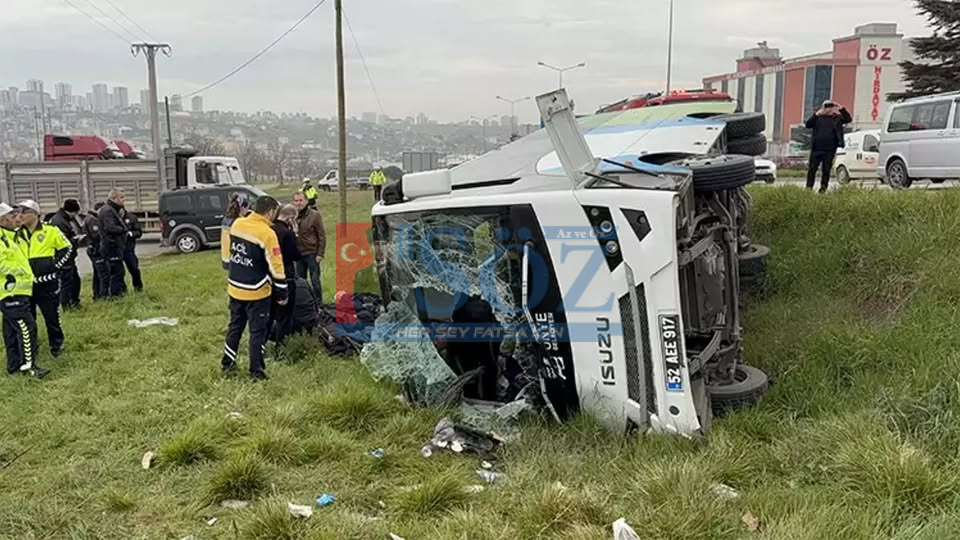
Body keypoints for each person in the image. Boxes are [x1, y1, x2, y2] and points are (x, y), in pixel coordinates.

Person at [220, 195, 287, 381]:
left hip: (235, 287)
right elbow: (277, 266)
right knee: (258, 332)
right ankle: (256, 371)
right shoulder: (267, 233)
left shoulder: (238, 224)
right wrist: (282, 291)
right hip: (257, 291)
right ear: (270, 211)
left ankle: (228, 362)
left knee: (235, 327)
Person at [16, 200, 72, 358]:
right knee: (28, 319)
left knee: (51, 316)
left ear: (35, 214)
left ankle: (57, 345)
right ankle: (32, 348)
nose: (20, 216)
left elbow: (66, 248)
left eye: (24, 212)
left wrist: (55, 267)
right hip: (25, 285)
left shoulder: (50, 231)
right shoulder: (16, 235)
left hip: (47, 283)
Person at [0, 203, 48, 379]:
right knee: (26, 328)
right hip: (10, 292)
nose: (17, 219)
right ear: (3, 219)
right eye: (12, 216)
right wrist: (17, 271)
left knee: (11, 330)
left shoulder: (10, 236)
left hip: (18, 291)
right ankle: (29, 367)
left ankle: (14, 366)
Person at [270, 204, 301, 351]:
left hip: (269, 276)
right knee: (285, 314)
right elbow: (295, 255)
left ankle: (264, 342)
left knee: (270, 313)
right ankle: (280, 346)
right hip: (285, 277)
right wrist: (295, 234)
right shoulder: (287, 234)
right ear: (290, 218)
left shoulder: (269, 229)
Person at [805, 100, 852, 193]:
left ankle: (823, 188)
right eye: (826, 106)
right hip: (816, 149)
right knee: (812, 169)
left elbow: (848, 119)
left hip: (830, 149)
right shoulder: (817, 118)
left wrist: (841, 108)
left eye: (830, 106)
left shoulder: (836, 118)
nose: (828, 109)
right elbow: (808, 124)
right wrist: (818, 113)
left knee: (826, 170)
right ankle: (809, 187)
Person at [49, 199, 84, 309]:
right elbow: (62, 241)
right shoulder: (60, 222)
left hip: (67, 256)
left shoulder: (62, 219)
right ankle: (66, 305)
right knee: (67, 282)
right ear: (72, 211)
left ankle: (72, 302)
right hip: (63, 257)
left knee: (74, 280)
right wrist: (75, 240)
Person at [292, 191, 326, 303]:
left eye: (301, 200)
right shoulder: (292, 216)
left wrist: (320, 253)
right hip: (298, 254)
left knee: (315, 281)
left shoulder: (314, 215)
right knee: (300, 282)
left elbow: (321, 235)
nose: (298, 203)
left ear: (306, 201)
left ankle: (319, 303)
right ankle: (305, 303)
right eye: (296, 201)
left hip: (312, 253)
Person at [98, 190, 128, 297]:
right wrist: (123, 229)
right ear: (114, 198)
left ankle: (119, 293)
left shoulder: (113, 209)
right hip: (111, 246)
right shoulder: (108, 211)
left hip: (114, 246)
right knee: (116, 272)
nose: (124, 199)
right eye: (122, 197)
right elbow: (110, 227)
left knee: (119, 272)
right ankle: (115, 295)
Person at [84, 203, 107, 300]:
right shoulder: (92, 220)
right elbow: (96, 235)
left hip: (94, 249)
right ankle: (103, 295)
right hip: (96, 250)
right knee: (103, 274)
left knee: (97, 274)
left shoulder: (91, 218)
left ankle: (97, 295)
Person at [120, 208, 144, 292]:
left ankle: (138, 287)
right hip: (117, 249)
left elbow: (139, 232)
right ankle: (122, 290)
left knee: (134, 269)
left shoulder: (131, 217)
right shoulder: (112, 218)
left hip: (128, 249)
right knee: (118, 272)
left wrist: (130, 234)